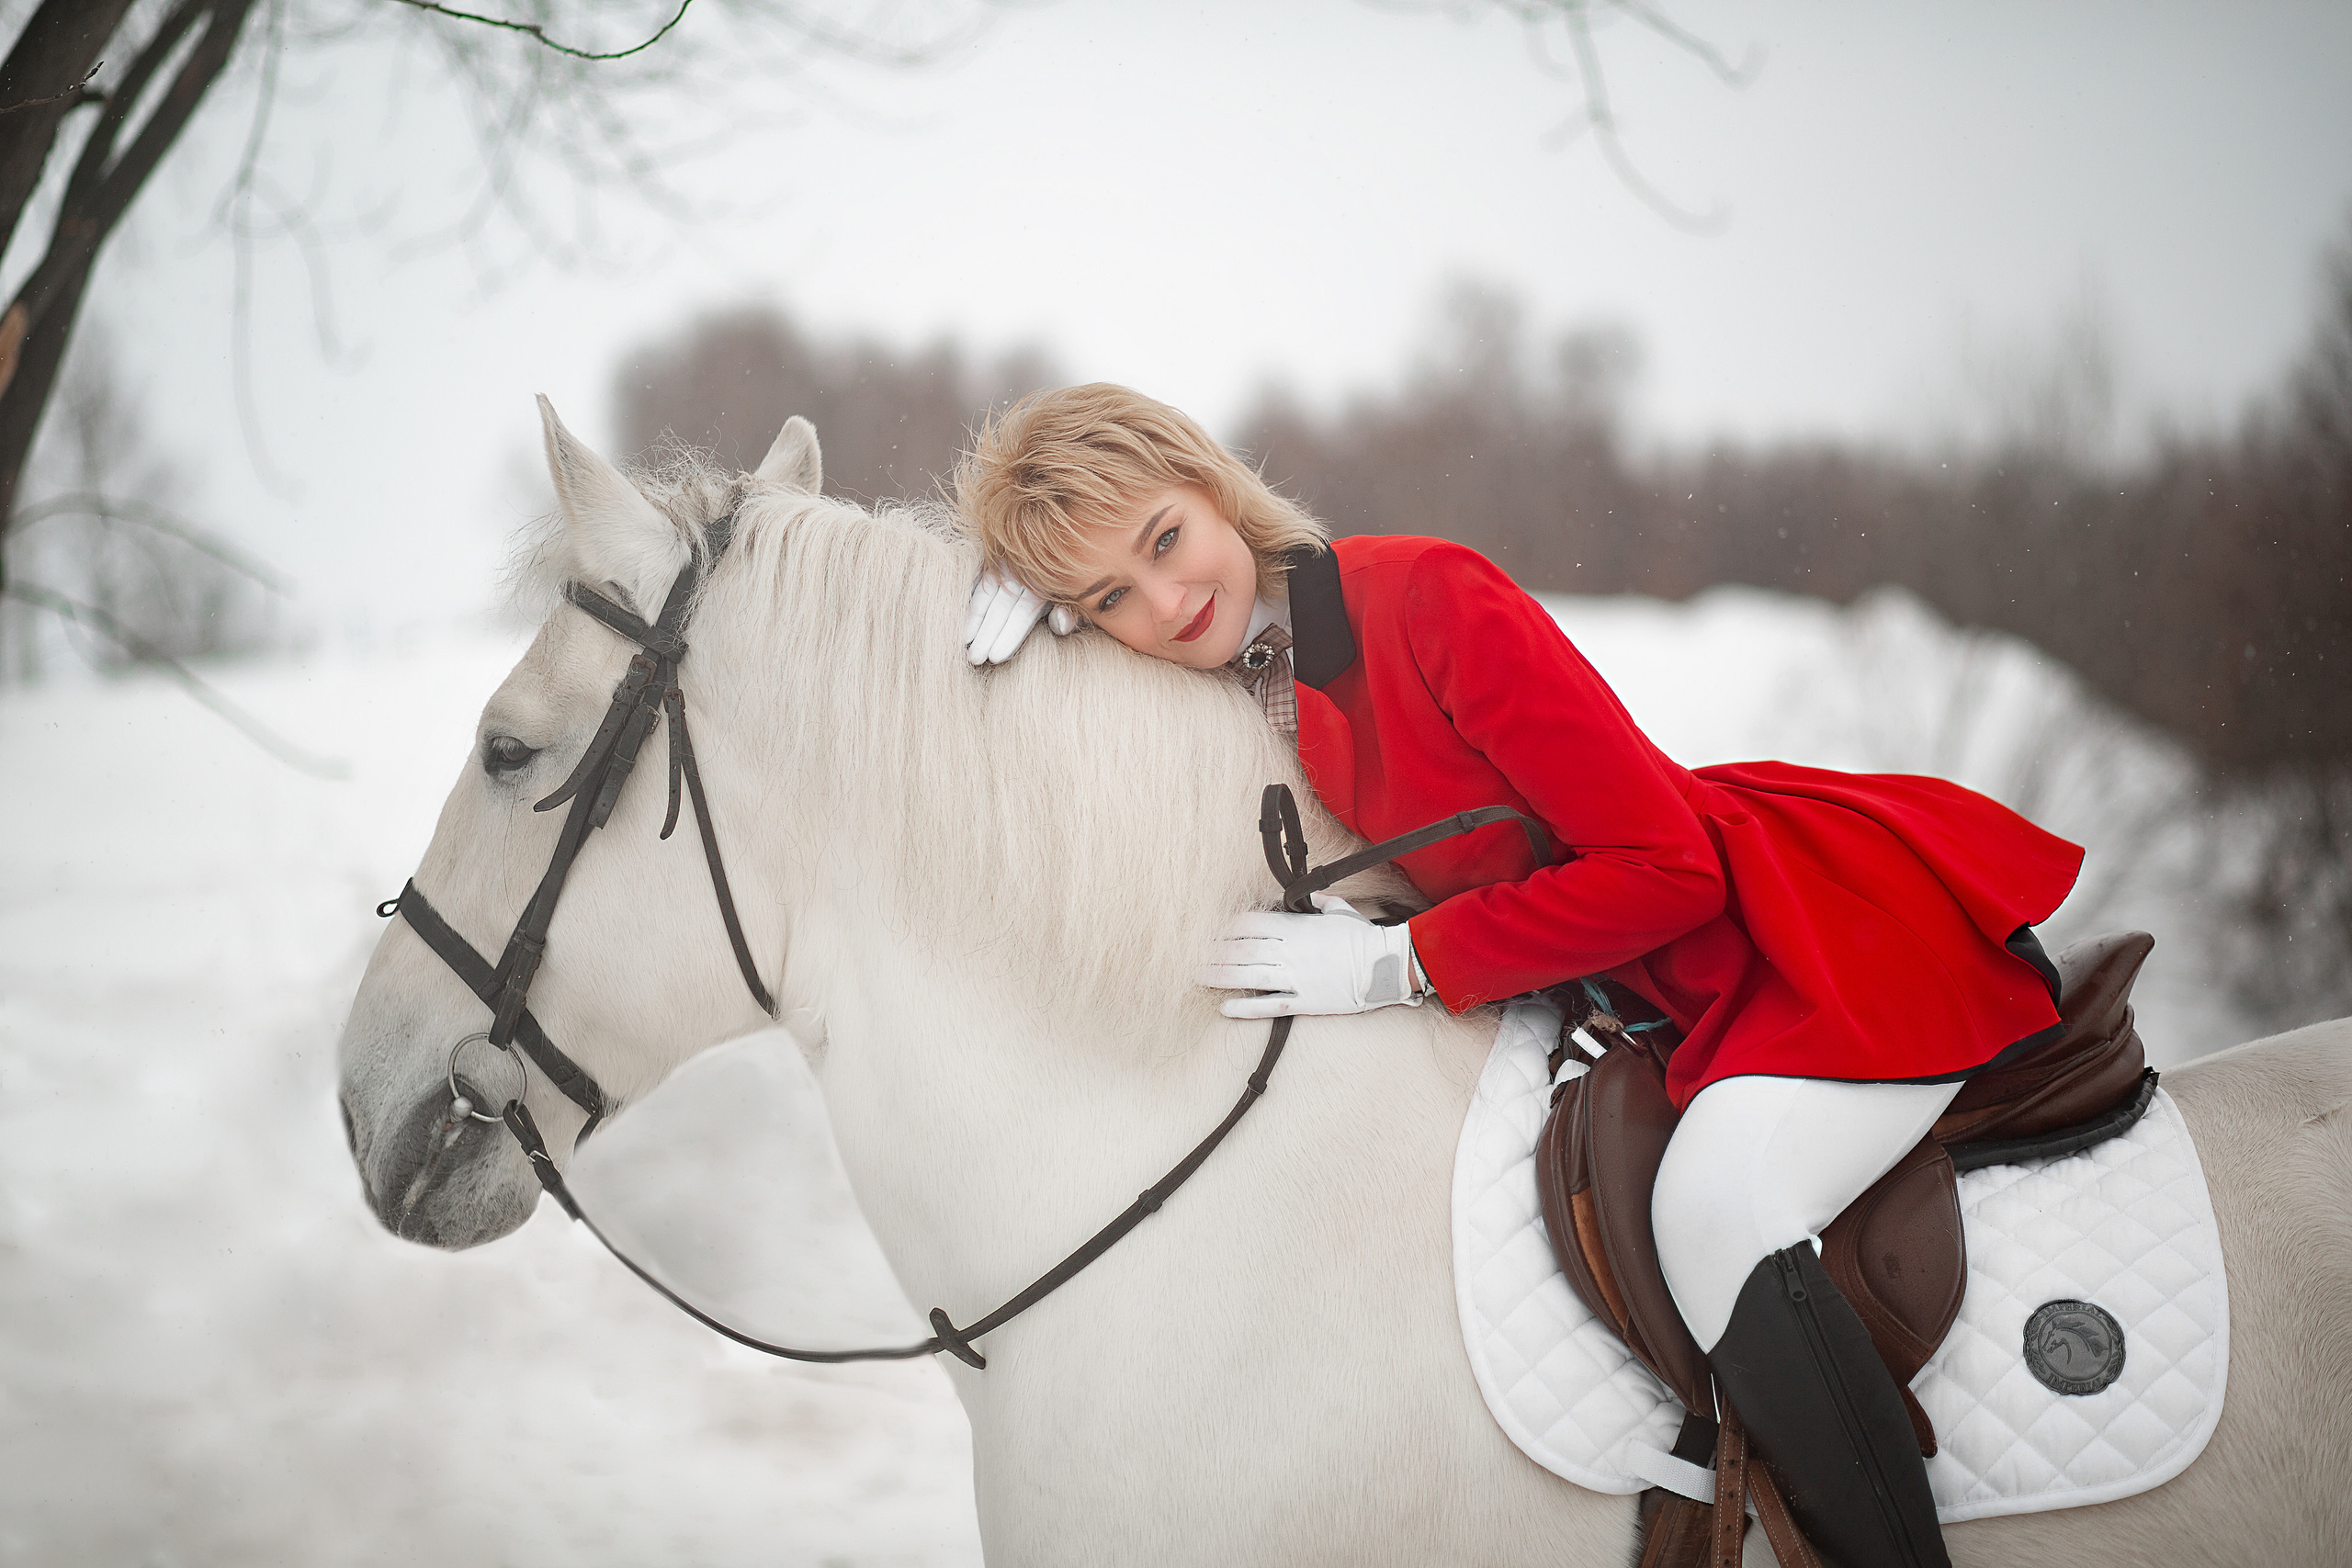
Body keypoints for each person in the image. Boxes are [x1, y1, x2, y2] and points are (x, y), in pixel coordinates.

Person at [956, 383, 2081, 1568]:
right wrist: (1029, 634)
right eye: (1109, 599)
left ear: (1213, 483)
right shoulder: (1222, 671)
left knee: (1717, 1215)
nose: (1168, 601)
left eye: (1165, 539)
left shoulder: (1423, 598)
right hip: (1656, 1004)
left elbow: (1668, 871)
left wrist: (1405, 962)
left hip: (1807, 948)